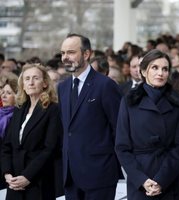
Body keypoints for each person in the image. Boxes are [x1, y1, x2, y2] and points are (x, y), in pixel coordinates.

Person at [115, 49, 179, 199]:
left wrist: (162, 180)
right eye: (155, 68)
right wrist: (141, 179)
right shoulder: (129, 100)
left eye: (165, 69)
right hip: (140, 180)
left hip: (169, 178)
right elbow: (122, 147)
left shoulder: (177, 101)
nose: (160, 73)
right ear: (143, 71)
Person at [58, 33, 122, 200]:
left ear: (86, 54)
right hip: (70, 175)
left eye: (71, 52)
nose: (65, 57)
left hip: (100, 175)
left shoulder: (106, 85)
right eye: (63, 53)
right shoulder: (62, 87)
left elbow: (119, 128)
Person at [1, 63, 63, 200]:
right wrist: (7, 174)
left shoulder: (53, 110)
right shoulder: (19, 109)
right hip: (14, 182)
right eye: (27, 79)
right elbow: (6, 145)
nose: (31, 82)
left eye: (35, 78)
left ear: (45, 83)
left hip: (38, 182)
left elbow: (50, 148)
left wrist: (27, 176)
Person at [0, 73, 18, 190]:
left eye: (9, 93)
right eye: (3, 92)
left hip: (8, 168)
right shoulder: (1, 113)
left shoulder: (16, 116)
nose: (4, 95)